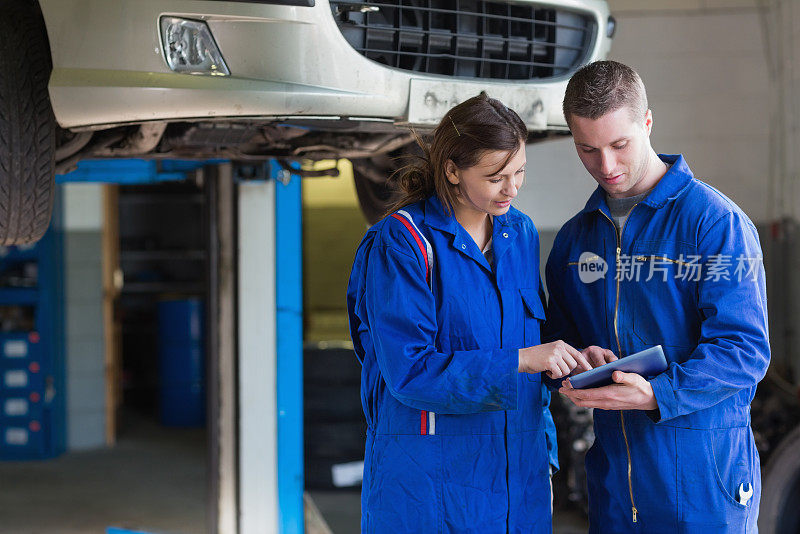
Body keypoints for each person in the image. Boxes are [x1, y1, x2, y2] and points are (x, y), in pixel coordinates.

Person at [347, 93, 590, 533]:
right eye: (495, 177)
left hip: (519, 473)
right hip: (430, 481)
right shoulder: (403, 243)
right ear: (452, 170)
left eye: (520, 173)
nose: (511, 189)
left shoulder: (520, 233)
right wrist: (522, 360)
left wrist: (575, 361)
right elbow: (410, 371)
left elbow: (536, 338)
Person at [544, 60, 770, 532]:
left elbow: (745, 351)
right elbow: (559, 338)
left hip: (703, 482)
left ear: (647, 123)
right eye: (587, 149)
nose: (605, 166)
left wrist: (656, 394)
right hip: (613, 486)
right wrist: (575, 361)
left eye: (619, 145)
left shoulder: (715, 224)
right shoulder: (572, 242)